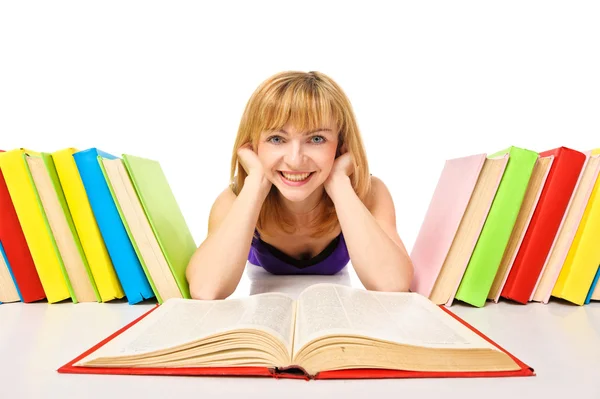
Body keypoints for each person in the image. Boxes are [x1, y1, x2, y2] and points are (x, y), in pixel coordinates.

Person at [186, 71, 414, 300]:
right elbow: (206, 289)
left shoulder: (369, 193)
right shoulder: (234, 199)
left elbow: (392, 284)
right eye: (276, 139)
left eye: (316, 139)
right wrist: (256, 182)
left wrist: (339, 184)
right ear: (254, 146)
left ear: (341, 145)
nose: (295, 160)